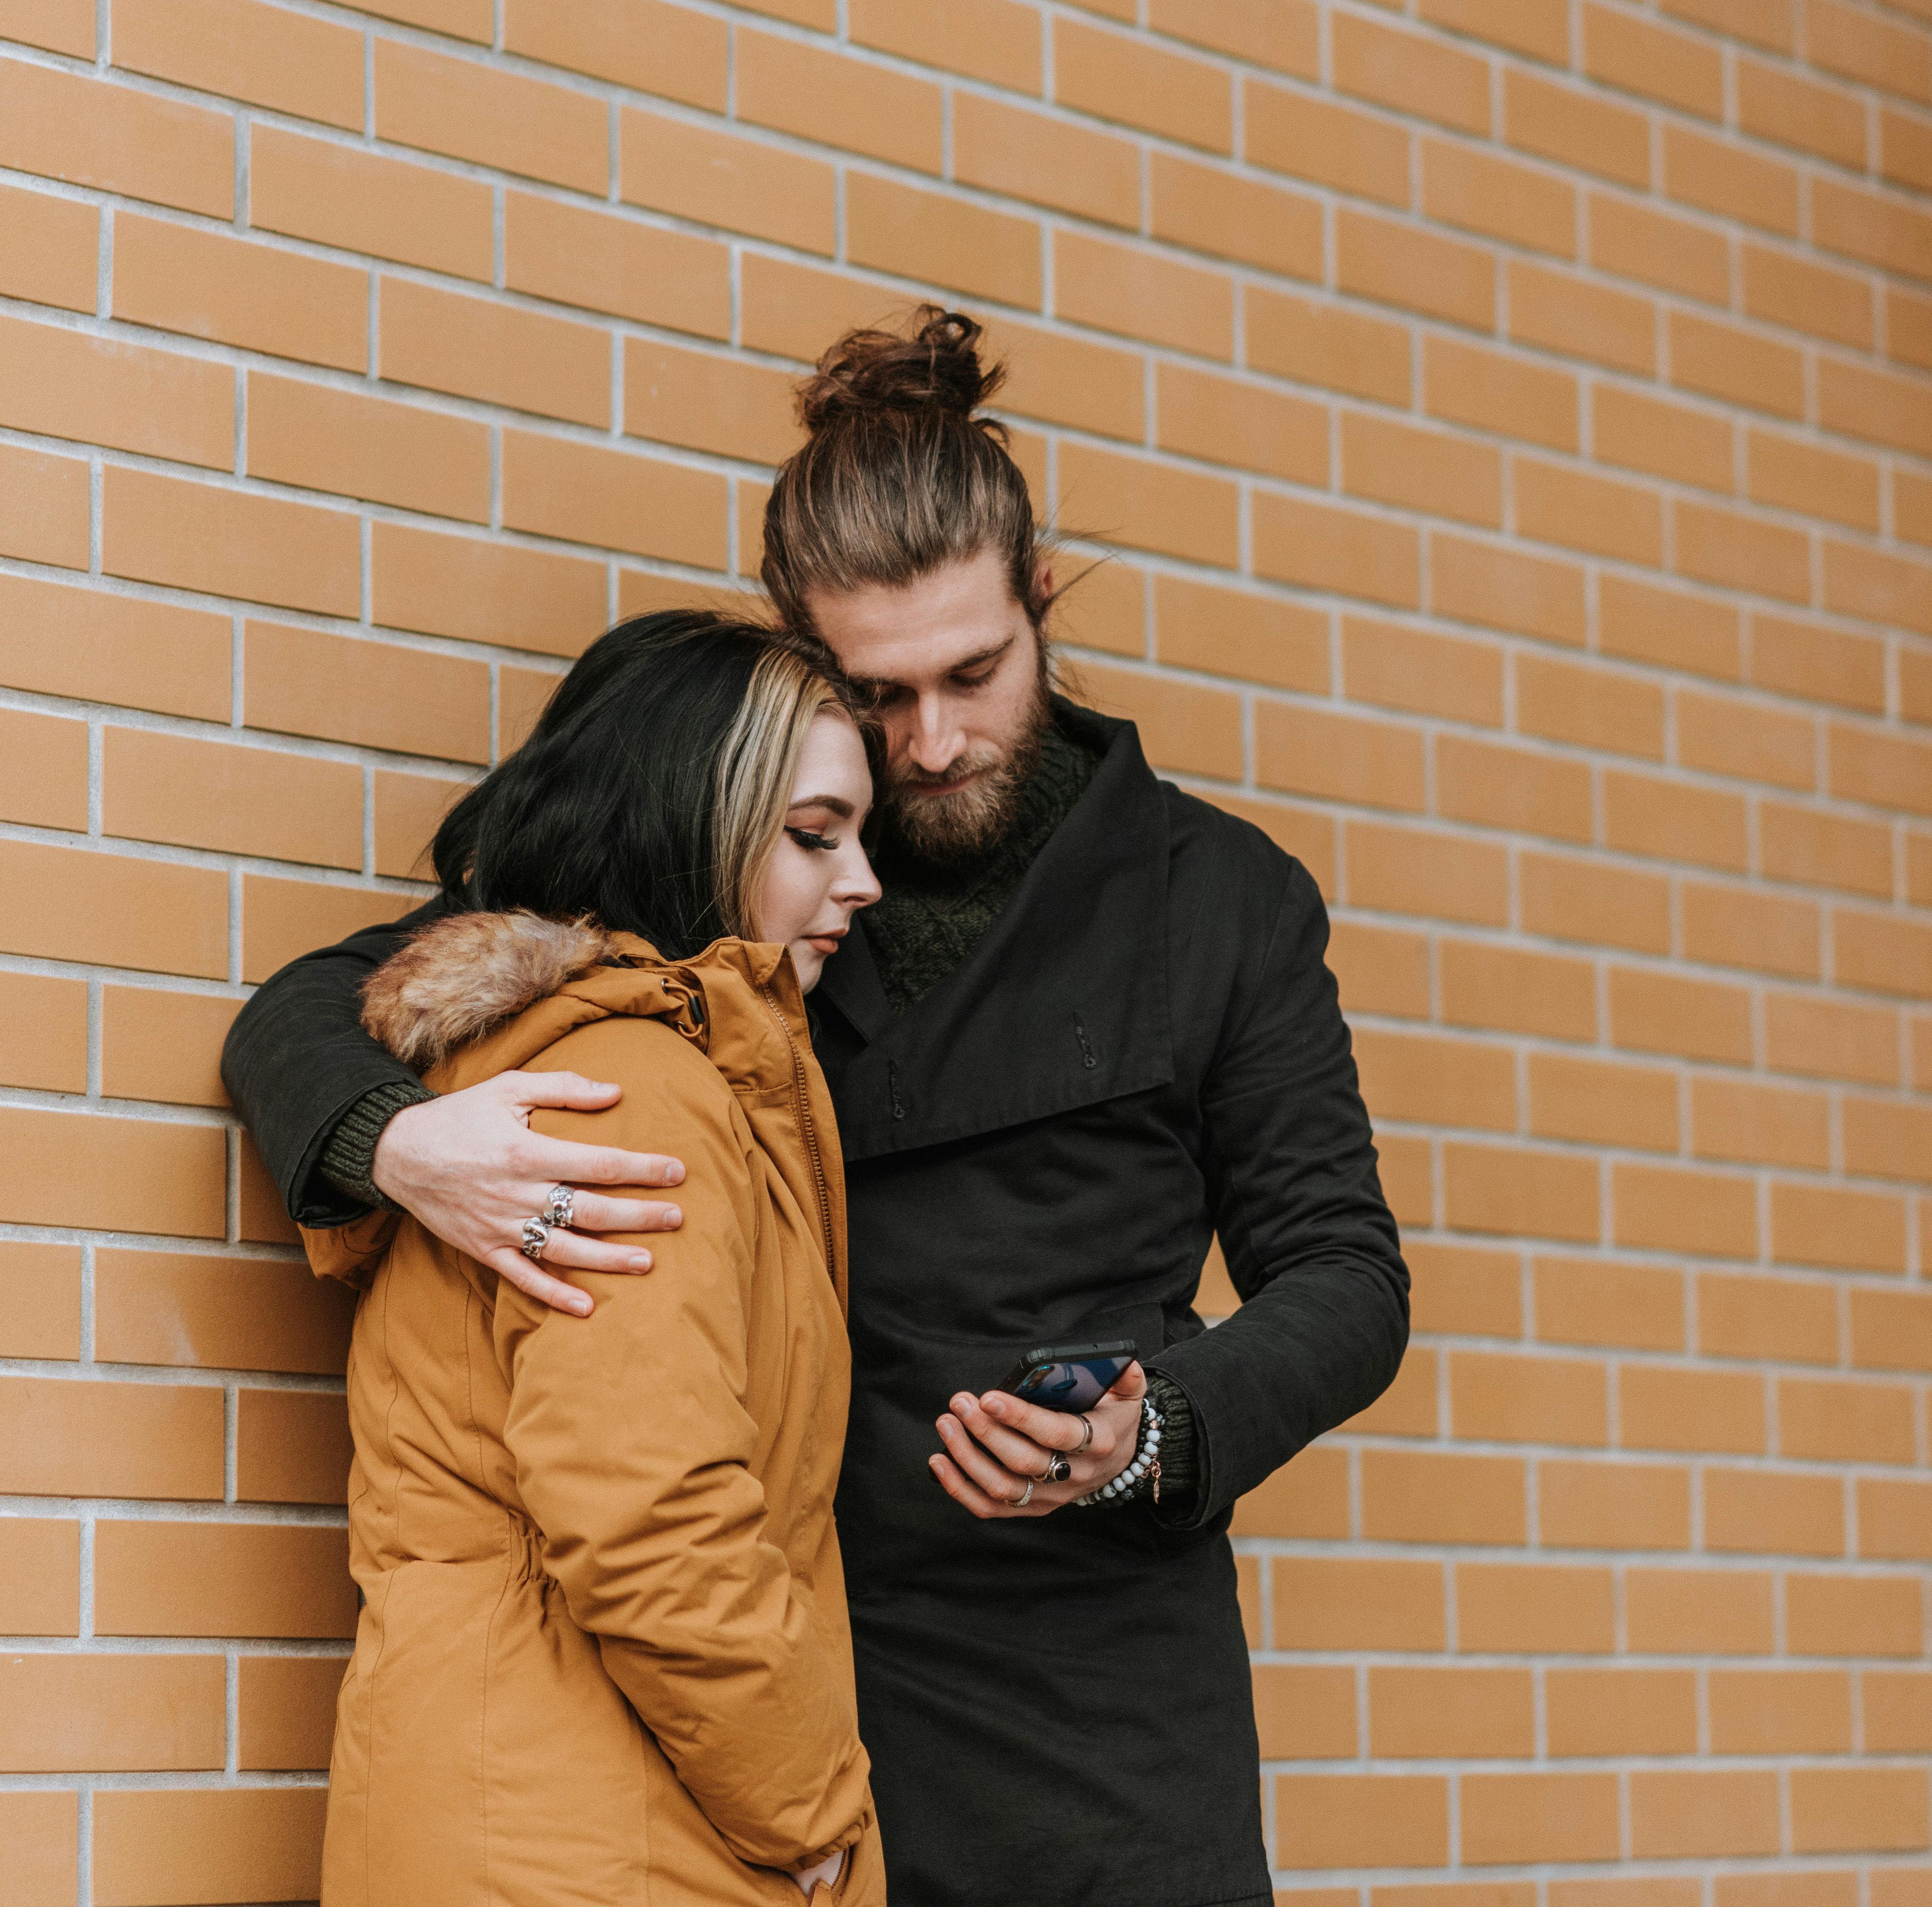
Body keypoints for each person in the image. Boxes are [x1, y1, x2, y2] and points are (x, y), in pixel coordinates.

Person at [227, 309, 1410, 1907]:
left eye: (974, 675)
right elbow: (332, 996)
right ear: (801, 657)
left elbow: (1345, 1276)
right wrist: (400, 1144)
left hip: (1096, 1674)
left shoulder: (1220, 900)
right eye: (878, 693)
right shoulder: (728, 866)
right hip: (791, 1658)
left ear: (1041, 600)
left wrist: (1158, 1431)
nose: (930, 743)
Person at [302, 610, 887, 1906]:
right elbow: (649, 1513)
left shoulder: (581, 1066)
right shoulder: (634, 1090)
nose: (862, 881)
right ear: (692, 821)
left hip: (525, 1803)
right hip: (596, 1837)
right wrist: (812, 1810)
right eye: (813, 834)